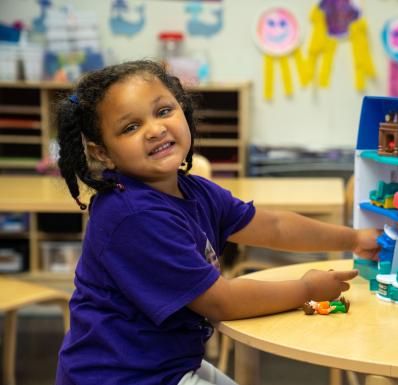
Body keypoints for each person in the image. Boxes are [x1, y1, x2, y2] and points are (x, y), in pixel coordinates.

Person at [54, 60, 380, 385]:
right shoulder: (134, 215)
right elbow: (222, 302)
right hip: (121, 377)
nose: (155, 129)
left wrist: (354, 239)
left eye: (164, 111)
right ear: (103, 154)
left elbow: (275, 227)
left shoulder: (194, 190)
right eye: (130, 127)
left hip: (165, 365)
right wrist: (306, 290)